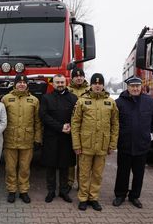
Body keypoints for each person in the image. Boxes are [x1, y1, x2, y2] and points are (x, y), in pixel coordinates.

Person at [71, 73, 119, 211]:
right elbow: (75, 124)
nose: (97, 86)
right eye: (95, 83)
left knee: (97, 174)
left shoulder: (110, 102)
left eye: (100, 83)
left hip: (102, 145)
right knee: (84, 173)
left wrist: (112, 144)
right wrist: (76, 144)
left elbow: (115, 125)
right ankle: (83, 198)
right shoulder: (82, 101)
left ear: (103, 85)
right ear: (91, 85)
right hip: (86, 144)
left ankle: (93, 198)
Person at [112, 76, 153, 208]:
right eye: (132, 86)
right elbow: (114, 123)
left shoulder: (150, 102)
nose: (135, 88)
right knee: (122, 172)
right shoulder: (119, 102)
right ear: (128, 87)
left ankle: (134, 196)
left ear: (141, 87)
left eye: (137, 86)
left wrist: (144, 134)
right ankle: (120, 195)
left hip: (142, 145)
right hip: (124, 144)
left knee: (139, 173)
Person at [2, 74, 42, 204]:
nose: (21, 84)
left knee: (25, 168)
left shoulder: (34, 100)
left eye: (24, 83)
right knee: (10, 168)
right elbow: (1, 120)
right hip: (10, 139)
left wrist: (37, 139)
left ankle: (24, 191)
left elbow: (37, 122)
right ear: (15, 84)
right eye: (19, 82)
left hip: (27, 140)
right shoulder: (6, 99)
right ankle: (12, 190)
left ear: (27, 85)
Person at [40, 74, 77, 203]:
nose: (60, 84)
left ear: (65, 82)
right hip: (51, 137)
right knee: (50, 166)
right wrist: (60, 127)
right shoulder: (46, 98)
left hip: (67, 137)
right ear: (53, 84)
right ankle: (51, 191)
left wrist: (70, 126)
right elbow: (44, 116)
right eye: (57, 82)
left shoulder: (73, 98)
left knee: (65, 166)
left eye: (62, 82)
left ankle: (63, 191)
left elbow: (77, 116)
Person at [67, 67, 90, 190]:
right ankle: (69, 182)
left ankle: (81, 184)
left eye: (81, 75)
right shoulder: (67, 90)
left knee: (83, 159)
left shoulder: (90, 90)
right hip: (71, 127)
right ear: (72, 78)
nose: (79, 78)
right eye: (76, 76)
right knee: (70, 158)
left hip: (86, 128)